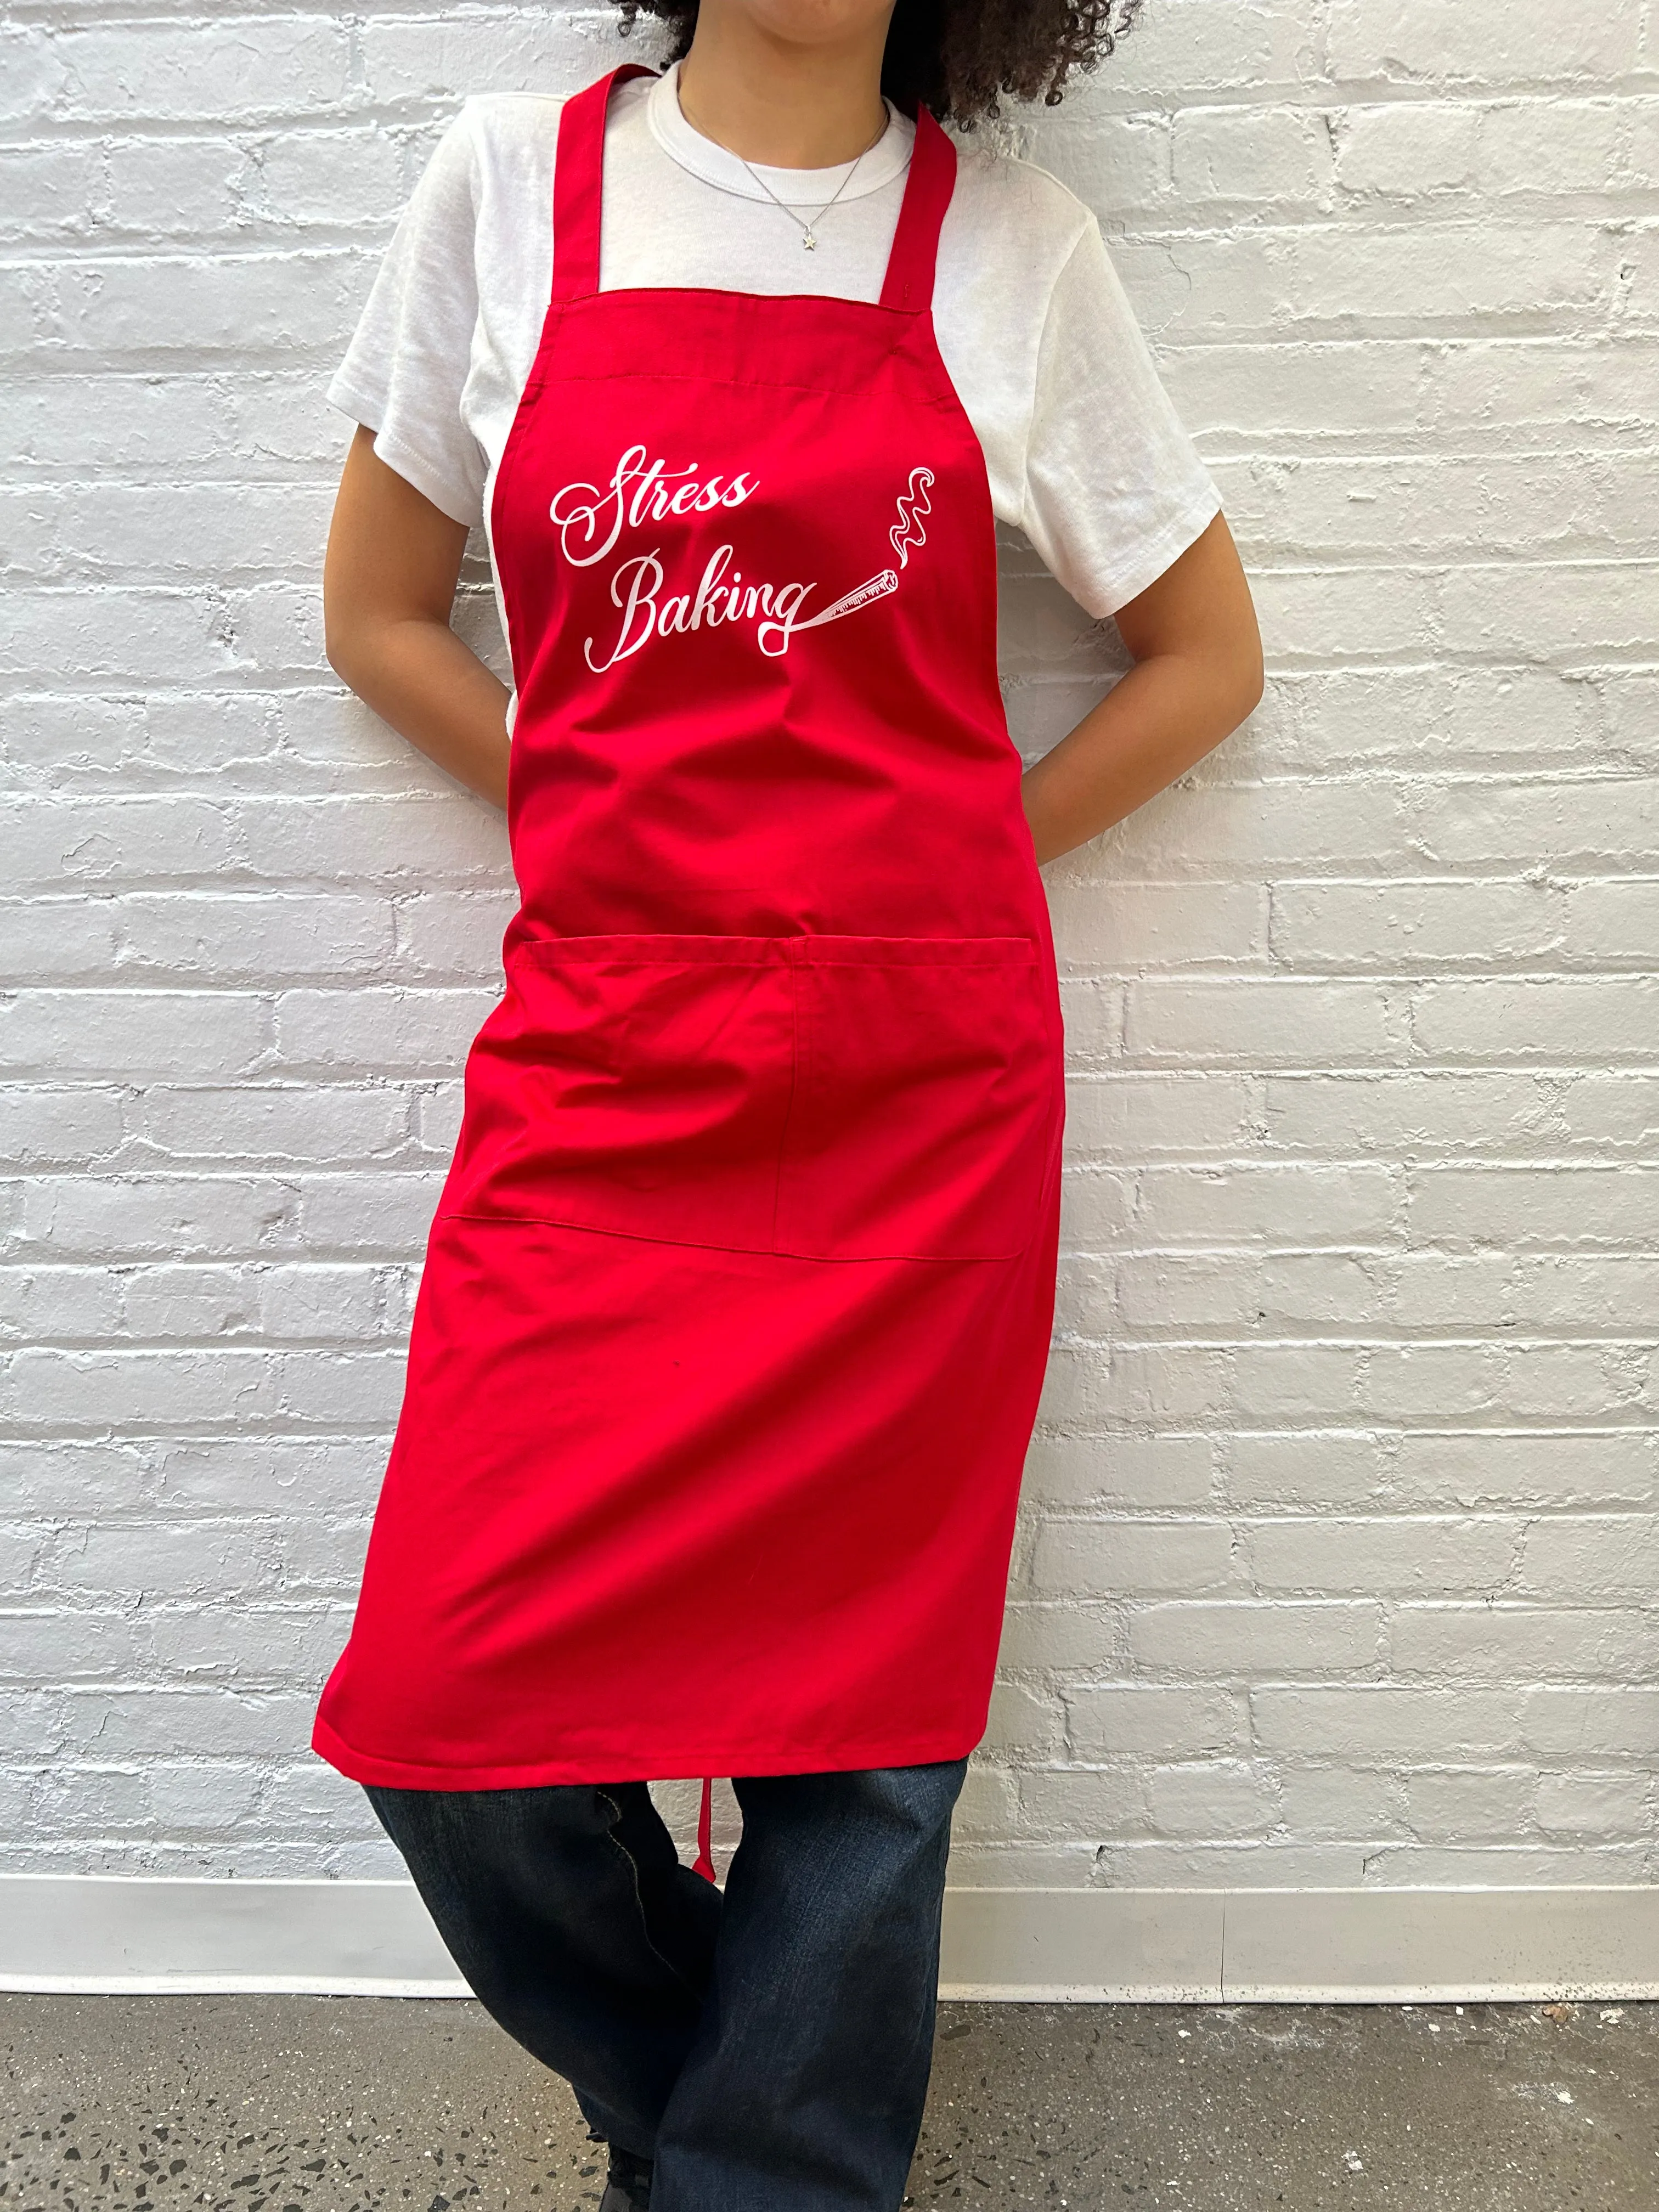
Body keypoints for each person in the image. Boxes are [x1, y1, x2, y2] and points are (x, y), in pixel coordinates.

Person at [310, 1, 1263, 2206]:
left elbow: (1206, 650)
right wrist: (586, 830)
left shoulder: (1011, 249)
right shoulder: (506, 189)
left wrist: (946, 863)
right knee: (453, 1730)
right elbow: (378, 612)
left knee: (870, 1747)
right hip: (608, 1062)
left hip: (912, 1102)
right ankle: (728, 2141)